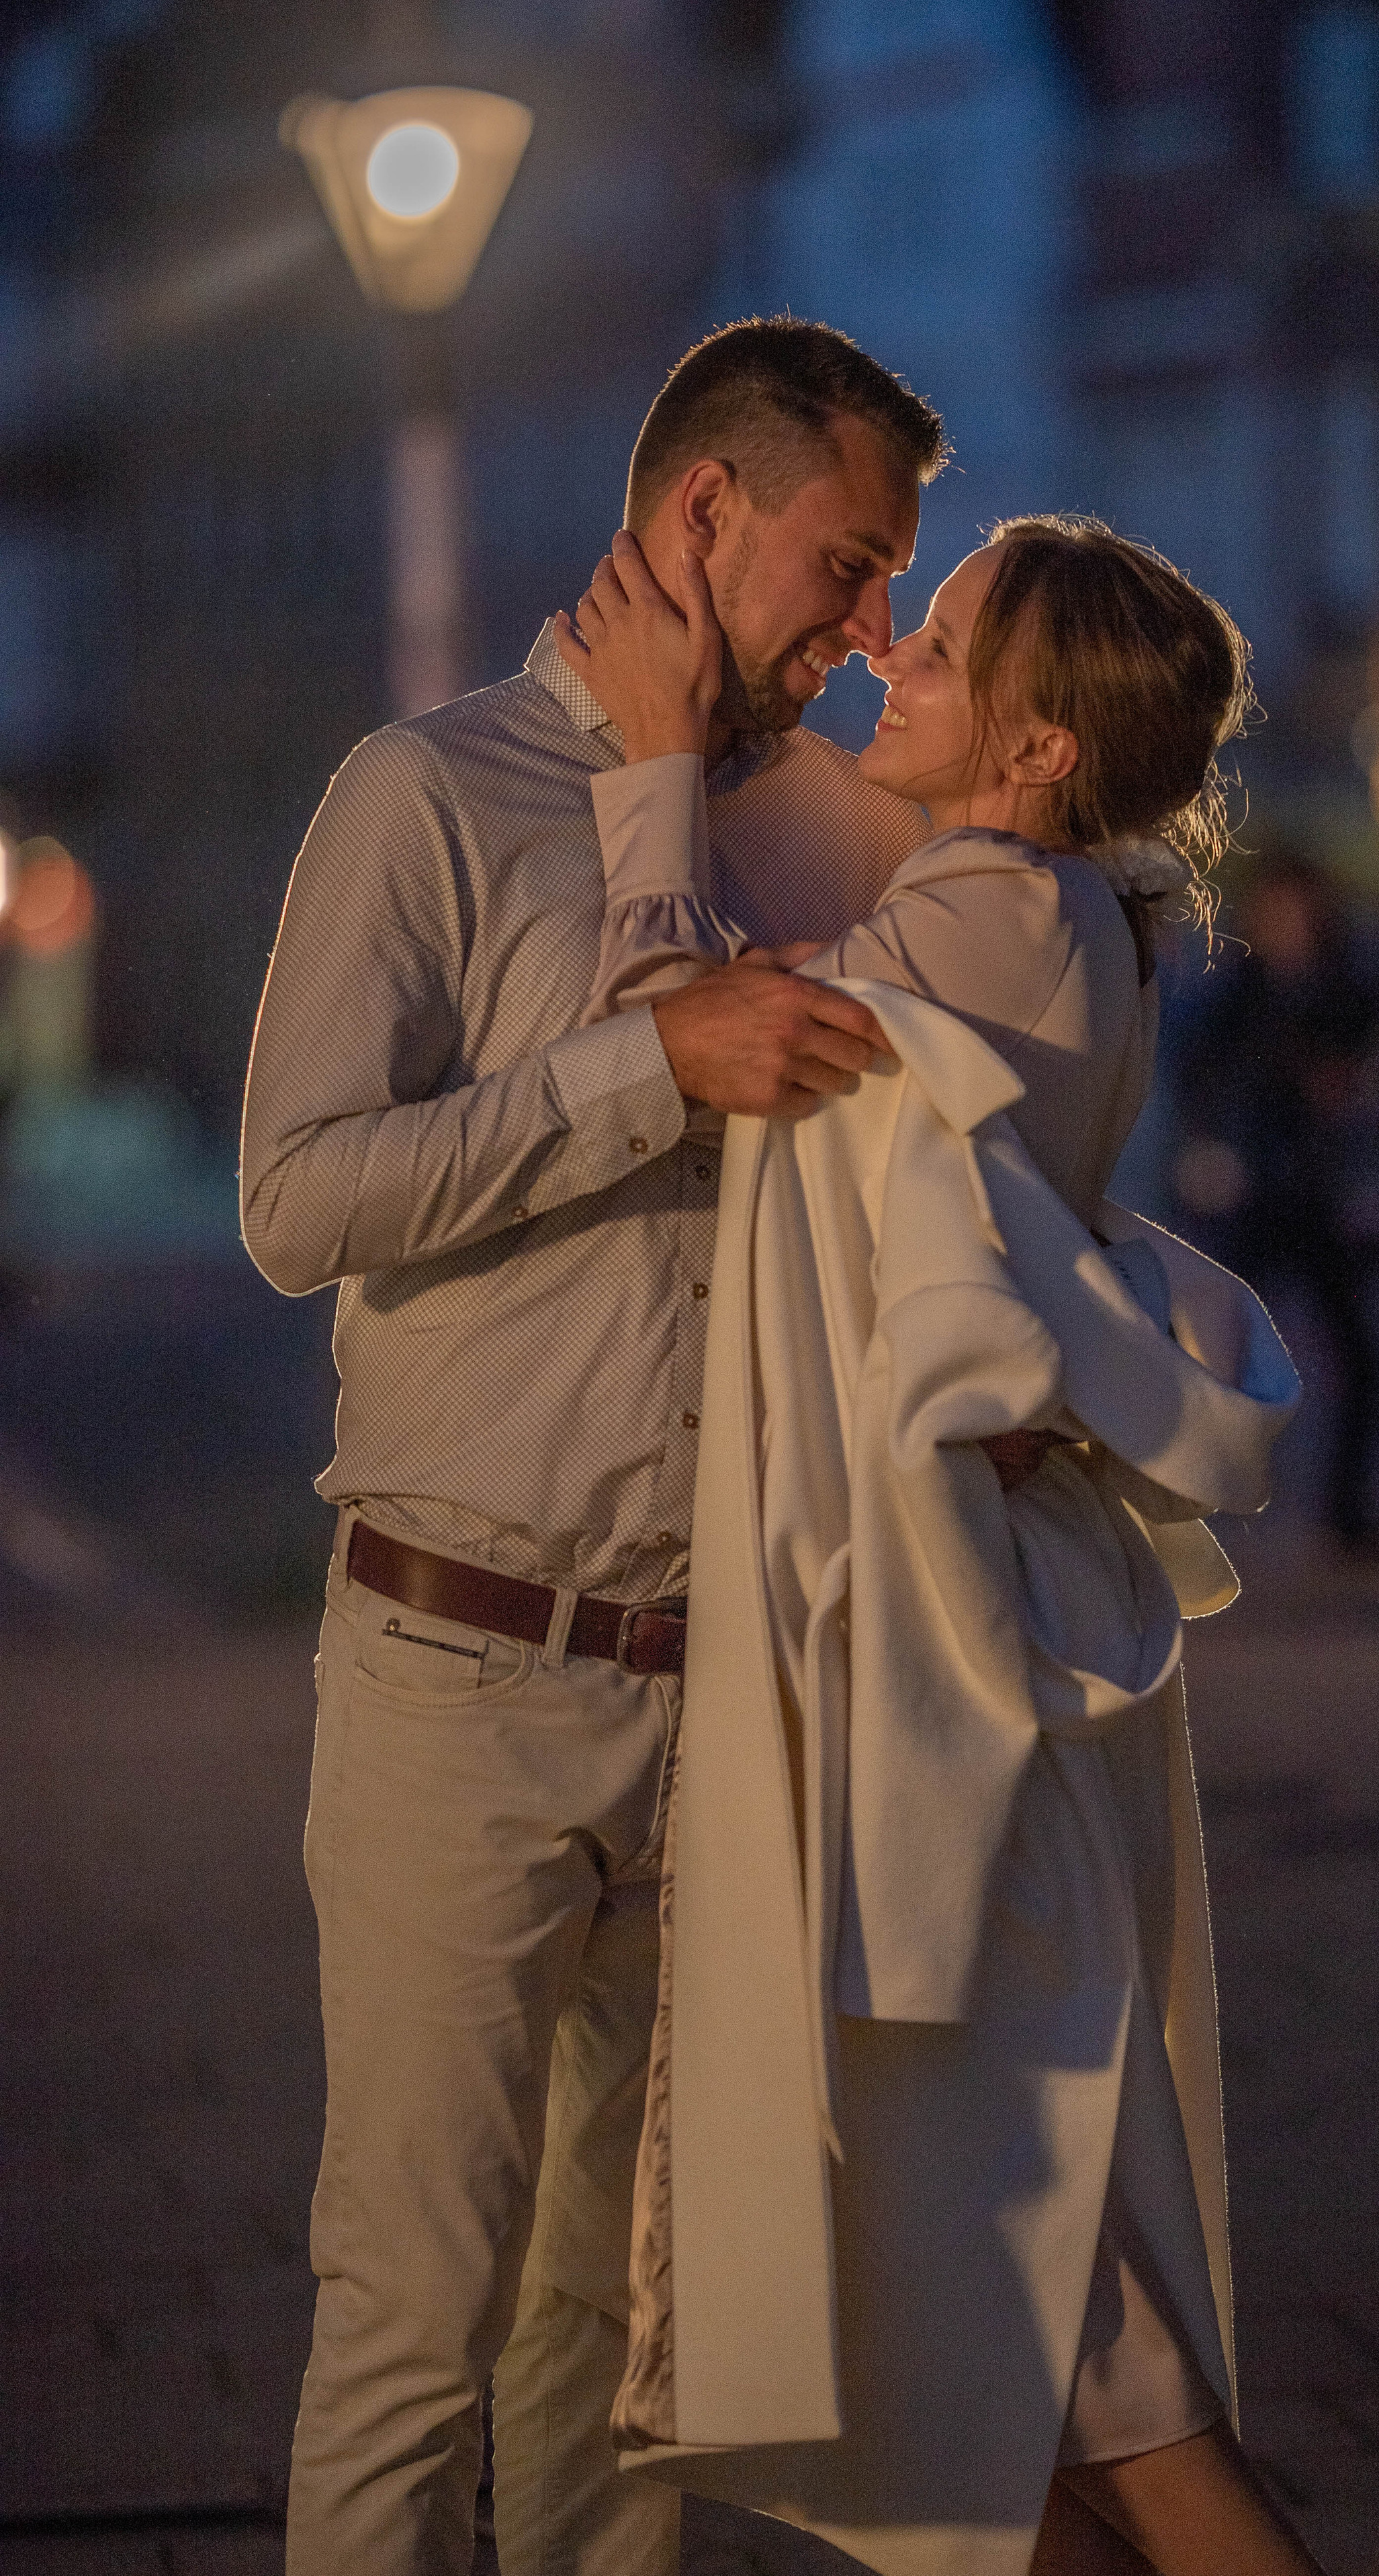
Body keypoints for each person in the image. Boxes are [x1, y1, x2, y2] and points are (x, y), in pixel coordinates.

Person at [238, 315, 953, 2576]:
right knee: (411, 2319)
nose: (864, 639)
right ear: (703, 514)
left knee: (625, 2337)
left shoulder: (785, 832)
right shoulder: (422, 796)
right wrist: (639, 1073)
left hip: (709, 1690)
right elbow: (295, 1200)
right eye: (843, 570)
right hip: (458, 1669)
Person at [558, 516, 1326, 2576]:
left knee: (1099, 2385)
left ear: (1041, 745)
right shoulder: (1034, 905)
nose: (889, 648)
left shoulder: (994, 910)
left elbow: (695, 1042)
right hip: (974, 1677)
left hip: (953, 1721)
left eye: (943, 636)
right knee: (1019, 2402)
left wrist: (650, 757)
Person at [1173, 852, 1379, 1550]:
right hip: (1256, 1194)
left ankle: (1347, 1513)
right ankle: (1196, 1501)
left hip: (1323, 1194)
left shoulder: (1347, 988)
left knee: (1359, 1357)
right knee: (1219, 1353)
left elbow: (1372, 1074)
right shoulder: (1238, 990)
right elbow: (1202, 1074)